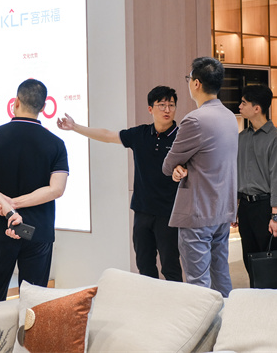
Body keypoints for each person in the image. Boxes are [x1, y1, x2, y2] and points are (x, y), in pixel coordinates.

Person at [56, 86, 183, 282]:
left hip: (170, 213)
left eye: (171, 105)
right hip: (142, 211)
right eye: (162, 105)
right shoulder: (140, 134)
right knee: (144, 264)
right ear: (150, 109)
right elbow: (107, 135)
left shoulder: (182, 136)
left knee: (170, 266)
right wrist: (75, 127)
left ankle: (175, 301)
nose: (167, 110)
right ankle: (149, 299)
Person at [0, 79, 69, 304]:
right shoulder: (56, 143)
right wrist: (17, 204)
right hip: (38, 229)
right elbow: (57, 189)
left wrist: (9, 207)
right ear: (43, 107)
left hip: (1, 225)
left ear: (15, 102)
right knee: (34, 300)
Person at [162, 57, 238, 297]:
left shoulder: (195, 120)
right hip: (222, 210)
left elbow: (168, 164)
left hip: (198, 212)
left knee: (198, 284)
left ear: (196, 83)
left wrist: (178, 165)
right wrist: (182, 165)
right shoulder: (229, 116)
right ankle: (226, 318)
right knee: (221, 276)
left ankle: (205, 322)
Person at [236, 84, 277, 287]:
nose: (240, 106)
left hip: (265, 207)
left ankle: (274, 300)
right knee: (249, 258)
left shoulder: (276, 139)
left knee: (270, 260)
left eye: (244, 103)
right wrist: (235, 207)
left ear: (257, 108)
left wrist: (276, 216)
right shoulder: (242, 137)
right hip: (245, 207)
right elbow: (237, 174)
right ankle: (256, 296)